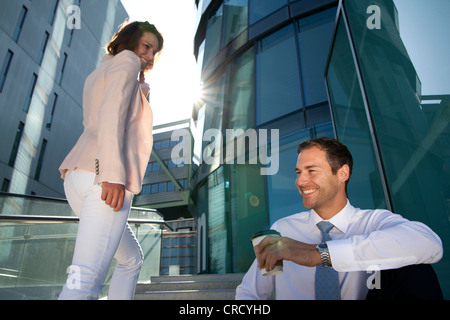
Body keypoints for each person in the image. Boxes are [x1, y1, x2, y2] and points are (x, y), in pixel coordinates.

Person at [235, 137, 443, 300]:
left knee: (417, 270)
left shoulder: (372, 222)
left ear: (343, 173)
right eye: (298, 172)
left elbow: (430, 243)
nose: (300, 181)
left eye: (311, 171)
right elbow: (249, 292)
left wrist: (320, 254)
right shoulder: (283, 229)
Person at [58, 21, 164, 300]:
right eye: (147, 46)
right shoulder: (127, 60)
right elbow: (111, 113)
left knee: (131, 259)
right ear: (130, 42)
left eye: (155, 51)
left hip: (78, 175)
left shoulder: (102, 69)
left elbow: (105, 114)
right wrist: (112, 174)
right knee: (85, 280)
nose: (151, 56)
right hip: (103, 177)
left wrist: (141, 90)